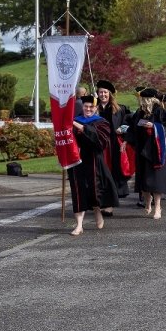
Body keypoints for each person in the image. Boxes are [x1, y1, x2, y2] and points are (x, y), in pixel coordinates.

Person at [69, 95, 119, 236]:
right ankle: (79, 225)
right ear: (82, 107)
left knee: (94, 190)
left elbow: (100, 142)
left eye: (91, 107)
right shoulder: (73, 121)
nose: (88, 109)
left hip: (94, 161)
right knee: (78, 192)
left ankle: (97, 210)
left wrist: (79, 126)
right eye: (86, 106)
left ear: (96, 108)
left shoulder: (102, 123)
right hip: (77, 161)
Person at [125, 88, 166, 220]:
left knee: (156, 181)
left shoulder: (160, 111)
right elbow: (132, 127)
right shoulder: (140, 112)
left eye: (144, 100)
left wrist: (154, 126)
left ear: (151, 100)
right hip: (142, 150)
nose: (142, 103)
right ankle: (148, 203)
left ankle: (158, 207)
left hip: (157, 151)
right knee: (144, 181)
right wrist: (126, 140)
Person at [95, 80, 132, 206]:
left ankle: (113, 198)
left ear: (109, 94)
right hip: (100, 145)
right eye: (100, 92)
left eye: (105, 92)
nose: (103, 95)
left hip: (114, 144)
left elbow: (128, 124)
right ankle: (102, 199)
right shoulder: (94, 109)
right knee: (101, 170)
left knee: (114, 170)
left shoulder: (120, 109)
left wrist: (122, 129)